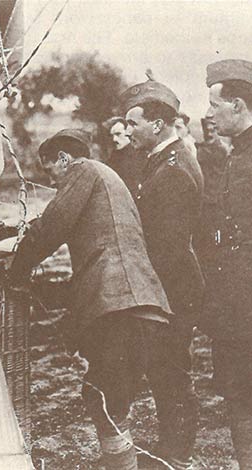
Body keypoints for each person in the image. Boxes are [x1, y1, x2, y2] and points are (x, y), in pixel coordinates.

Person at [8, 128, 174, 470]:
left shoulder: (82, 171)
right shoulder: (107, 177)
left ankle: (121, 464)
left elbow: (52, 226)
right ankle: (120, 461)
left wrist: (15, 271)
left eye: (51, 171)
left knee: (102, 393)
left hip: (118, 303)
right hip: (141, 302)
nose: (53, 182)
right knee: (112, 393)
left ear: (65, 160)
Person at [121, 80, 205, 469]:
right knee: (166, 371)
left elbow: (168, 247)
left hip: (171, 289)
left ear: (156, 125)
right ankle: (172, 450)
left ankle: (176, 455)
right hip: (170, 287)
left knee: (170, 372)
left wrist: (149, 292)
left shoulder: (172, 167)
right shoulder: (164, 159)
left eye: (132, 123)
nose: (127, 130)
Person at [201, 59, 252, 468]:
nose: (208, 114)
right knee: (238, 388)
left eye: (214, 106)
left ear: (237, 105)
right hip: (236, 298)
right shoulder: (236, 154)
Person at [193, 116, 230, 276]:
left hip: (214, 197)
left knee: (213, 235)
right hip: (203, 196)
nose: (209, 132)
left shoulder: (221, 149)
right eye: (207, 129)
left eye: (213, 129)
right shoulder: (201, 147)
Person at [103, 116, 146, 195]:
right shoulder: (113, 157)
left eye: (118, 134)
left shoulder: (139, 155)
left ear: (128, 133)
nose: (114, 139)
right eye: (111, 135)